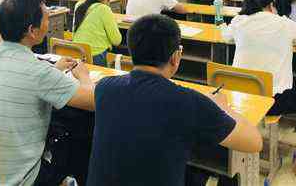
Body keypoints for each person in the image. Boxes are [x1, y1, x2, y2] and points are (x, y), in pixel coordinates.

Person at [87, 14, 262, 186]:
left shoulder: (104, 87)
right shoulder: (189, 102)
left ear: (131, 51)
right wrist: (223, 107)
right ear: (175, 57)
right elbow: (254, 142)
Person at [0, 0, 95, 186]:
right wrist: (84, 76)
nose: (48, 23)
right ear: (32, 31)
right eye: (47, 18)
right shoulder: (38, 71)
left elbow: (20, 78)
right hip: (19, 178)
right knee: (81, 136)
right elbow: (93, 101)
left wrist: (54, 71)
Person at [221, 0, 296, 177]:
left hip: (239, 99)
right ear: (271, 6)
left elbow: (225, 36)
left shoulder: (239, 21)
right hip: (271, 102)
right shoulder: (284, 23)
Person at [73, 0, 122, 66]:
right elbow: (116, 41)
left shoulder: (79, 5)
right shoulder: (104, 9)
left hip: (77, 52)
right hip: (96, 56)